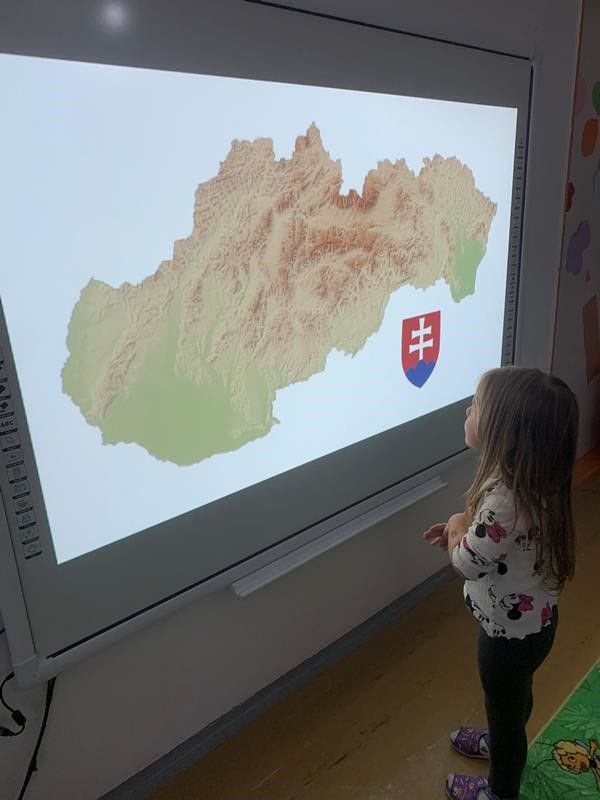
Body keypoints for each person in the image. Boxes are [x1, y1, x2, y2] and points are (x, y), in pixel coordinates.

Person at [423, 367, 579, 800]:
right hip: (538, 623)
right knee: (515, 698)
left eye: (476, 405)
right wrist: (464, 528)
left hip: (505, 638)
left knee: (505, 709)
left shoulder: (505, 501)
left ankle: (500, 788)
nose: (468, 411)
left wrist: (458, 523)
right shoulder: (540, 482)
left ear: (505, 435)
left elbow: (467, 563)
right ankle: (504, 734)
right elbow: (499, 547)